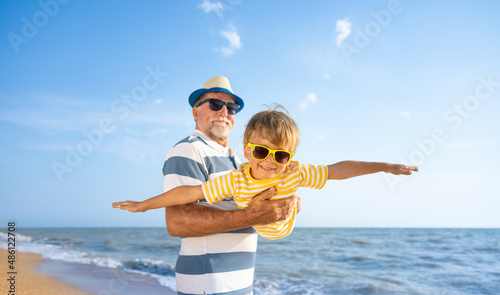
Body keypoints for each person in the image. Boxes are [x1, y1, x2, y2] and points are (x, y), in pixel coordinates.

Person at [121, 76, 297, 295]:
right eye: (215, 104)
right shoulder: (187, 151)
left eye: (231, 107)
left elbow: (257, 209)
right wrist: (250, 216)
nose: (224, 112)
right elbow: (177, 222)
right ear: (196, 111)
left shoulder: (241, 160)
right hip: (210, 291)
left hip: (240, 286)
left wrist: (283, 208)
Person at [113, 107, 418, 240]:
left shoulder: (294, 173)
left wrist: (385, 167)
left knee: (295, 201)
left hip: (285, 228)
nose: (271, 162)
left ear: (291, 156)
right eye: (262, 151)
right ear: (247, 150)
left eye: (281, 154)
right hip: (260, 226)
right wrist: (143, 205)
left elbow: (338, 170)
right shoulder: (238, 178)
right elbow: (190, 193)